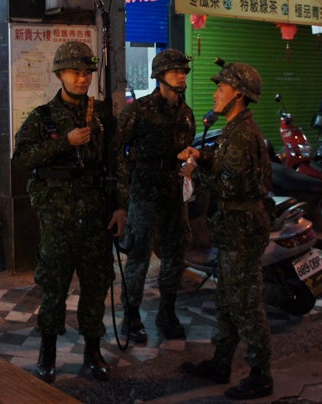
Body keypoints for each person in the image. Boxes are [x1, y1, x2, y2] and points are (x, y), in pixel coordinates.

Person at [13, 41, 126, 383]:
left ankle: (93, 353)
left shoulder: (104, 115)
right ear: (60, 74)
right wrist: (66, 142)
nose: (82, 79)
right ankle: (47, 354)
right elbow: (22, 159)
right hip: (58, 219)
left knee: (95, 286)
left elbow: (118, 163)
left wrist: (121, 206)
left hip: (96, 216)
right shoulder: (42, 117)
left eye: (87, 72)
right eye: (75, 72)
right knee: (54, 287)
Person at [178, 61, 274, 400]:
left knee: (245, 304)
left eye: (222, 88)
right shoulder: (234, 130)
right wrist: (203, 158)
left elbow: (231, 187)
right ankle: (221, 362)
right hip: (232, 228)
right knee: (226, 301)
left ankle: (261, 375)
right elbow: (226, 167)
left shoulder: (244, 135)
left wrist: (194, 172)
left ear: (239, 96)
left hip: (242, 229)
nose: (216, 93)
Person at [116, 49, 195, 343]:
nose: (181, 75)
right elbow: (118, 152)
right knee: (138, 257)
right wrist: (124, 194)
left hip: (173, 194)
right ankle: (131, 316)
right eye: (175, 71)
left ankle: (167, 312)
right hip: (144, 193)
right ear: (159, 76)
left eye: (184, 71)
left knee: (175, 256)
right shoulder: (137, 111)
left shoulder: (186, 113)